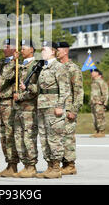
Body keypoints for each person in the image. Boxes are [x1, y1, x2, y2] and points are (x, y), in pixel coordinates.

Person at [36, 41, 70, 179]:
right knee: (44, 138)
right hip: (43, 106)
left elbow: (65, 89)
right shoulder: (43, 68)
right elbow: (41, 89)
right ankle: (49, 166)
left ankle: (56, 167)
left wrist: (60, 106)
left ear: (52, 51)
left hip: (53, 106)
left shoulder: (59, 67)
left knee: (54, 138)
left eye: (44, 50)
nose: (42, 52)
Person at [0, 38, 19, 177]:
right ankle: (9, 163)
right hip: (1, 103)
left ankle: (13, 164)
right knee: (3, 136)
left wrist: (14, 61)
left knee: (10, 135)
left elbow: (4, 79)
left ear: (14, 48)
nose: (4, 49)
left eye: (7, 46)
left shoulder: (16, 63)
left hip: (10, 103)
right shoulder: (1, 62)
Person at [12, 40, 39, 178]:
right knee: (18, 137)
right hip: (18, 108)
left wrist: (21, 95)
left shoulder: (35, 65)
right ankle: (25, 164)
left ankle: (31, 166)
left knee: (28, 137)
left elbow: (36, 89)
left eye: (24, 48)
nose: (21, 51)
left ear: (32, 50)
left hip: (29, 107)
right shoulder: (20, 64)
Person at [56, 41, 83, 175]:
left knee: (68, 137)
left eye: (58, 49)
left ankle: (70, 165)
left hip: (68, 109)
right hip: (59, 108)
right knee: (60, 137)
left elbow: (78, 91)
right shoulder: (57, 67)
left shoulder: (73, 68)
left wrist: (74, 110)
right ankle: (64, 163)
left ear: (65, 51)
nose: (56, 51)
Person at [90, 69, 109, 138]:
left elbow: (105, 92)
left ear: (98, 73)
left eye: (93, 72)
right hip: (94, 102)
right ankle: (97, 131)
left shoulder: (101, 82)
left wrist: (102, 101)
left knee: (100, 116)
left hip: (99, 103)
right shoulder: (94, 82)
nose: (92, 73)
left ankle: (101, 131)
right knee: (94, 117)